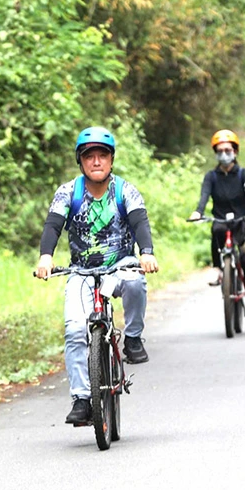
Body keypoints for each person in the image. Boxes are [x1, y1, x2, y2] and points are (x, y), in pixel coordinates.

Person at [35, 127, 159, 426]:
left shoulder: (125, 191)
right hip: (81, 271)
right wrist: (45, 256)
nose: (96, 161)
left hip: (120, 265)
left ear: (111, 160)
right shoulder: (68, 192)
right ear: (80, 161)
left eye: (102, 155)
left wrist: (146, 252)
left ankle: (132, 338)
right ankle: (82, 399)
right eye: (89, 156)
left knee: (135, 281)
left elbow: (139, 222)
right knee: (75, 330)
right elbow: (53, 225)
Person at [188, 129, 245, 317]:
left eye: (228, 150)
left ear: (235, 151)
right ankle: (218, 268)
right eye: (220, 151)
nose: (224, 154)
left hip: (243, 222)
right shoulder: (211, 176)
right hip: (221, 221)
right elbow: (204, 196)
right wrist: (198, 212)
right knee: (216, 228)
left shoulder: (244, 174)